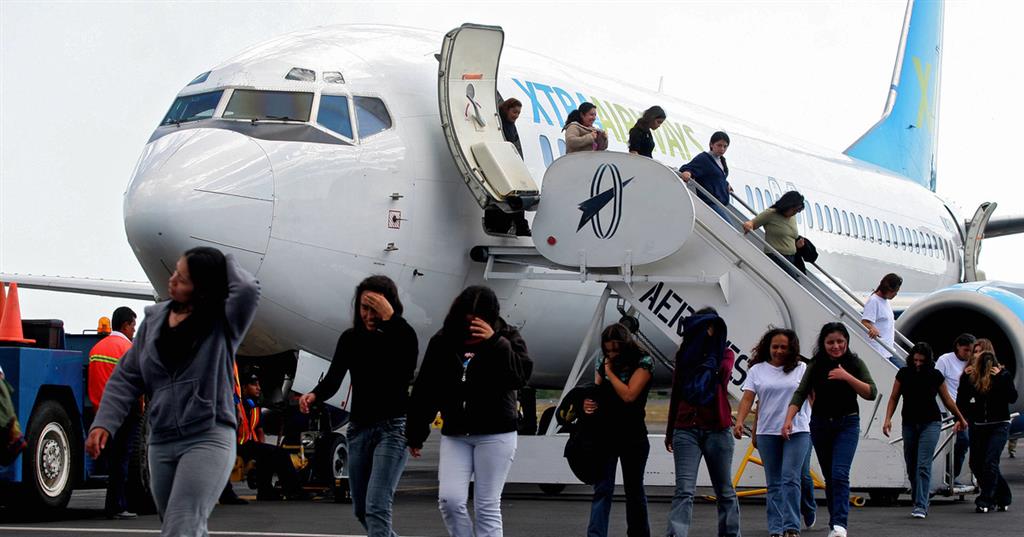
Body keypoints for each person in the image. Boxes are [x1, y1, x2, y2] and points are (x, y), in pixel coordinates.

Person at [86, 247, 260, 536]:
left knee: (181, 522)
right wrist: (104, 422)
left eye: (183, 277)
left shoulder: (221, 321)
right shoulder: (153, 322)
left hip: (207, 436)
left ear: (201, 285)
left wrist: (222, 259)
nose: (173, 279)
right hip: (162, 441)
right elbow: (127, 376)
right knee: (179, 523)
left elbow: (248, 290)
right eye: (176, 271)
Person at [407, 286, 532, 537]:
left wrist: (495, 342)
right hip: (456, 432)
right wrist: (416, 432)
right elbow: (426, 388)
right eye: (466, 320)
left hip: (496, 433)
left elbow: (519, 377)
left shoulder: (507, 338)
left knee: (486, 506)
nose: (471, 326)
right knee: (450, 501)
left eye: (478, 321)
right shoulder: (443, 341)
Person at [298, 275, 418, 536]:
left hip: (392, 429)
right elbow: (334, 378)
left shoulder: (403, 335)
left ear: (390, 306)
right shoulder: (350, 338)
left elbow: (407, 369)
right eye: (365, 307)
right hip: (359, 428)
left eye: (376, 308)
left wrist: (391, 320)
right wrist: (314, 395)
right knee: (361, 509)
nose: (369, 315)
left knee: (377, 507)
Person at [784, 323, 877, 537]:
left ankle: (839, 525)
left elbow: (871, 392)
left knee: (839, 473)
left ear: (846, 342)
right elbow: (801, 393)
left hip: (847, 424)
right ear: (823, 344)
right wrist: (789, 419)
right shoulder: (816, 365)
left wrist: (847, 376)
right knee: (830, 476)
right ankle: (835, 521)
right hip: (821, 425)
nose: (836, 346)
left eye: (840, 342)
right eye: (830, 342)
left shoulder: (855, 363)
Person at [665, 307, 740, 537]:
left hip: (717, 427)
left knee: (724, 490)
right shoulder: (684, 356)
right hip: (686, 427)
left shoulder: (724, 354)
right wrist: (670, 431)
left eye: (710, 326)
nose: (707, 331)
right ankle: (676, 534)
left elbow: (723, 375)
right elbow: (676, 393)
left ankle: (730, 533)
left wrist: (708, 348)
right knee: (684, 490)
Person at [734, 328, 809, 537]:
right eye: (775, 347)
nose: (779, 351)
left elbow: (812, 397)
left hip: (797, 430)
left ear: (791, 349)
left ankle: (791, 527)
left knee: (791, 477)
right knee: (774, 482)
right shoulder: (757, 370)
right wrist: (740, 421)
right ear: (768, 347)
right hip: (768, 431)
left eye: (784, 347)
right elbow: (748, 399)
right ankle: (776, 528)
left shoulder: (801, 368)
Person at [582, 324, 654, 537]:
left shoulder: (643, 361)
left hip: (633, 434)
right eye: (608, 350)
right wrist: (588, 403)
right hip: (606, 433)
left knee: (634, 490)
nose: (611, 354)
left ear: (625, 345)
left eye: (615, 350)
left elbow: (629, 395)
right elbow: (597, 390)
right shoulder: (602, 360)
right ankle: (596, 534)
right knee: (602, 488)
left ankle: (639, 534)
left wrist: (609, 372)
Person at [881, 342, 968, 518]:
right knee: (911, 464)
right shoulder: (904, 373)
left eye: (921, 361)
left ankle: (921, 505)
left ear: (928, 360)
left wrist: (960, 417)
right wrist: (887, 419)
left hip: (931, 423)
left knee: (923, 464)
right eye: (915, 360)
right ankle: (918, 496)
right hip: (909, 423)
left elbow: (947, 400)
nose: (918, 364)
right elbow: (894, 397)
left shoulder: (935, 375)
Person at [222, 368, 307, 503]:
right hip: (234, 444)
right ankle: (293, 491)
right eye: (254, 385)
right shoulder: (236, 404)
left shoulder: (254, 406)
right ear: (243, 387)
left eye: (259, 385)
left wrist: (262, 448)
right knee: (279, 453)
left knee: (269, 454)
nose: (259, 388)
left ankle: (265, 491)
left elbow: (259, 430)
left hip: (247, 445)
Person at [86, 306, 139, 519]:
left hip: (101, 412)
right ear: (125, 325)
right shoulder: (128, 349)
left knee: (111, 461)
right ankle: (116, 506)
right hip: (124, 412)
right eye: (133, 326)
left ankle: (112, 505)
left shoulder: (96, 349)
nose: (134, 330)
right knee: (121, 461)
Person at [957, 351, 1018, 513]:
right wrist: (965, 378)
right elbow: (962, 399)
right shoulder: (973, 378)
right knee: (976, 463)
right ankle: (1003, 495)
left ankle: (986, 499)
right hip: (979, 425)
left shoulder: (1003, 376)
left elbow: (1012, 397)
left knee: (991, 461)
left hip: (999, 424)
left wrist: (1001, 378)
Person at [935, 333, 976, 492]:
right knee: (961, 440)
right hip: (949, 408)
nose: (969, 354)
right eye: (966, 350)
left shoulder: (972, 363)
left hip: (967, 409)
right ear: (958, 346)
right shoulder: (945, 360)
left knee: (965, 442)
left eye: (971, 351)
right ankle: (948, 474)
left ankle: (952, 474)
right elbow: (935, 382)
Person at [742, 191, 807, 276]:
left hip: (791, 258)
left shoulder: (792, 217)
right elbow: (753, 223)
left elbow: (788, 236)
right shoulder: (771, 214)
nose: (795, 213)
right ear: (787, 205)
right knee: (793, 282)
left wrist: (797, 245)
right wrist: (748, 225)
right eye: (794, 210)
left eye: (798, 211)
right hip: (776, 257)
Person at [678, 131, 732, 219]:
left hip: (719, 203)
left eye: (725, 146)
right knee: (728, 225)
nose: (722, 149)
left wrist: (726, 184)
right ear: (711, 144)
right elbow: (688, 167)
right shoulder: (704, 159)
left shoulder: (722, 160)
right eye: (719, 145)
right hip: (709, 202)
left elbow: (715, 176)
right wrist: (687, 172)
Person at [861, 273, 902, 362]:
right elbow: (865, 321)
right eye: (894, 291)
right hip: (880, 350)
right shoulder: (874, 301)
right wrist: (872, 328)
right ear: (888, 289)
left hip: (888, 350)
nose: (895, 294)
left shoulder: (885, 301)